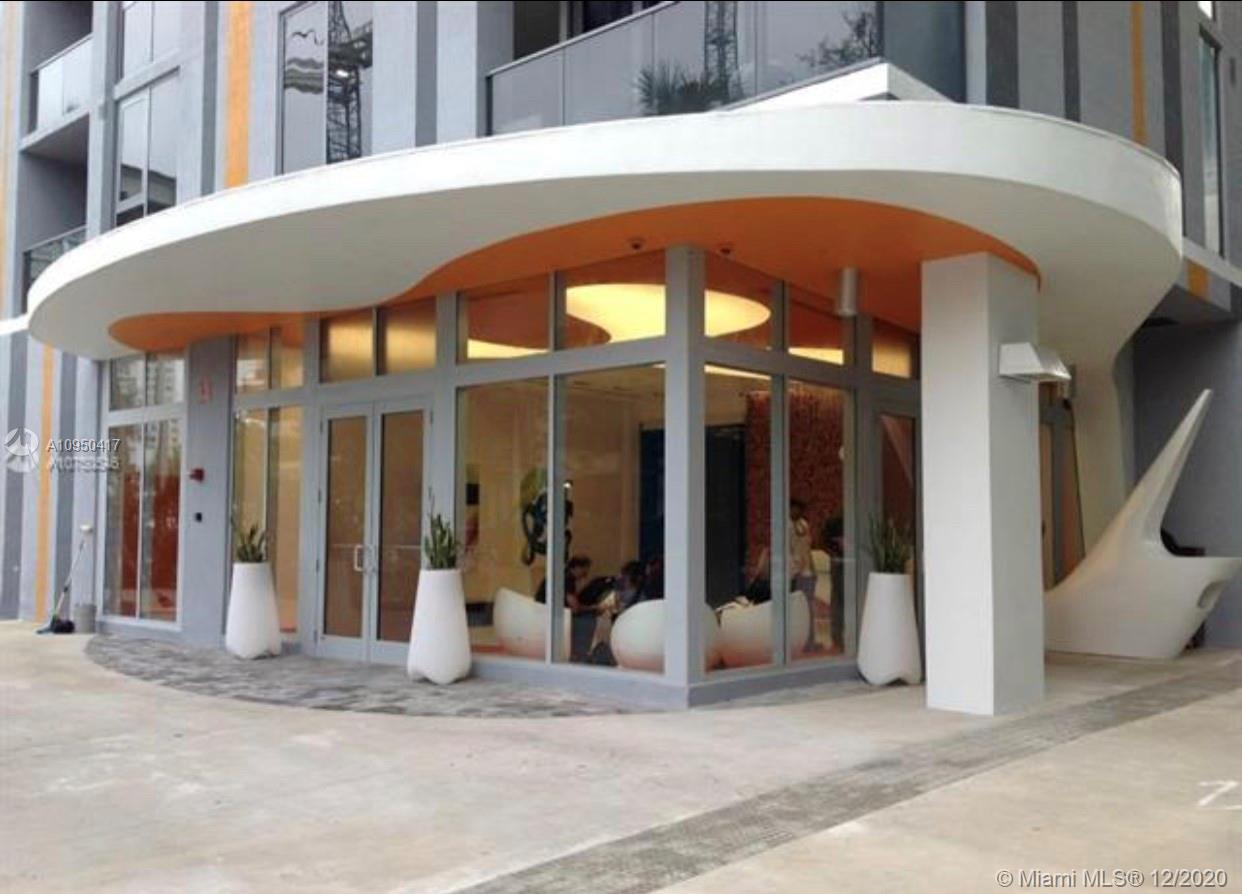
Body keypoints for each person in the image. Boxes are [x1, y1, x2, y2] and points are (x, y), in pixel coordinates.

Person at [822, 516, 846, 654]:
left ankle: (839, 640)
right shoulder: (835, 522)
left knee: (839, 600)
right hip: (838, 561)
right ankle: (837, 640)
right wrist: (836, 547)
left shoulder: (839, 521)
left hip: (841, 560)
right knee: (838, 599)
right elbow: (824, 539)